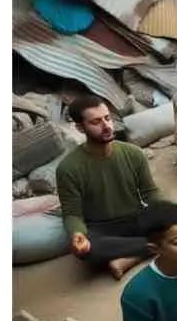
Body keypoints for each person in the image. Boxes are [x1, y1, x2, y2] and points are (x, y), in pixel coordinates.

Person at [57, 96, 162, 279]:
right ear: (80, 128)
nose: (106, 126)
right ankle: (158, 246)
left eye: (107, 118)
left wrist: (169, 210)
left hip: (135, 220)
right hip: (101, 229)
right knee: (88, 249)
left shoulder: (133, 153)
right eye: (96, 122)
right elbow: (72, 213)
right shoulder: (68, 168)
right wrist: (77, 234)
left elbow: (150, 192)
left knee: (176, 220)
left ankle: (129, 258)